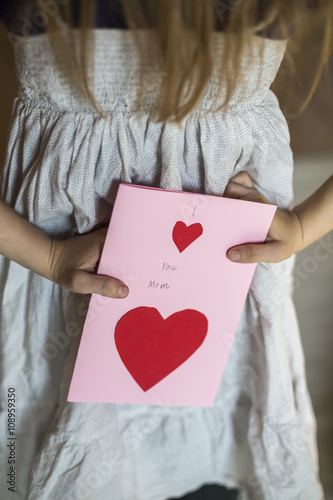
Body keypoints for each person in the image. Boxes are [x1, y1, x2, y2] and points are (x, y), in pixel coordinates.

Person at [0, 1, 332, 499]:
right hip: (58, 279)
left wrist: (306, 226)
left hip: (228, 302)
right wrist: (46, 256)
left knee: (212, 460)